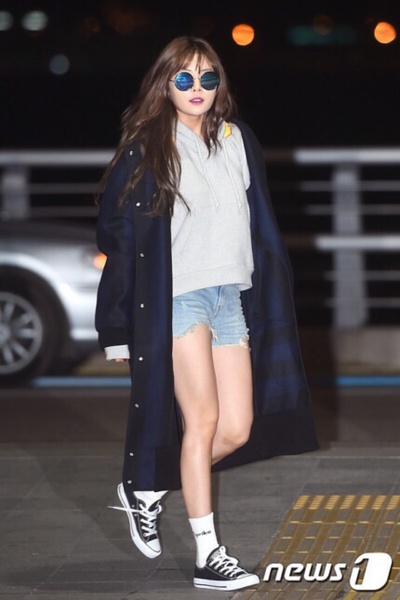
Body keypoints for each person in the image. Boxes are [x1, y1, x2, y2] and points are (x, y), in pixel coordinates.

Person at [95, 35, 318, 592]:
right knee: (203, 422)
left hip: (229, 296)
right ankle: (208, 554)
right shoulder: (147, 148)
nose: (197, 88)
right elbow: (119, 241)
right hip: (179, 297)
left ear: (220, 85)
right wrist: (116, 326)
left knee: (237, 428)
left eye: (208, 77)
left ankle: (147, 485)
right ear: (165, 84)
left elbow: (258, 220)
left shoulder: (237, 140)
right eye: (185, 78)